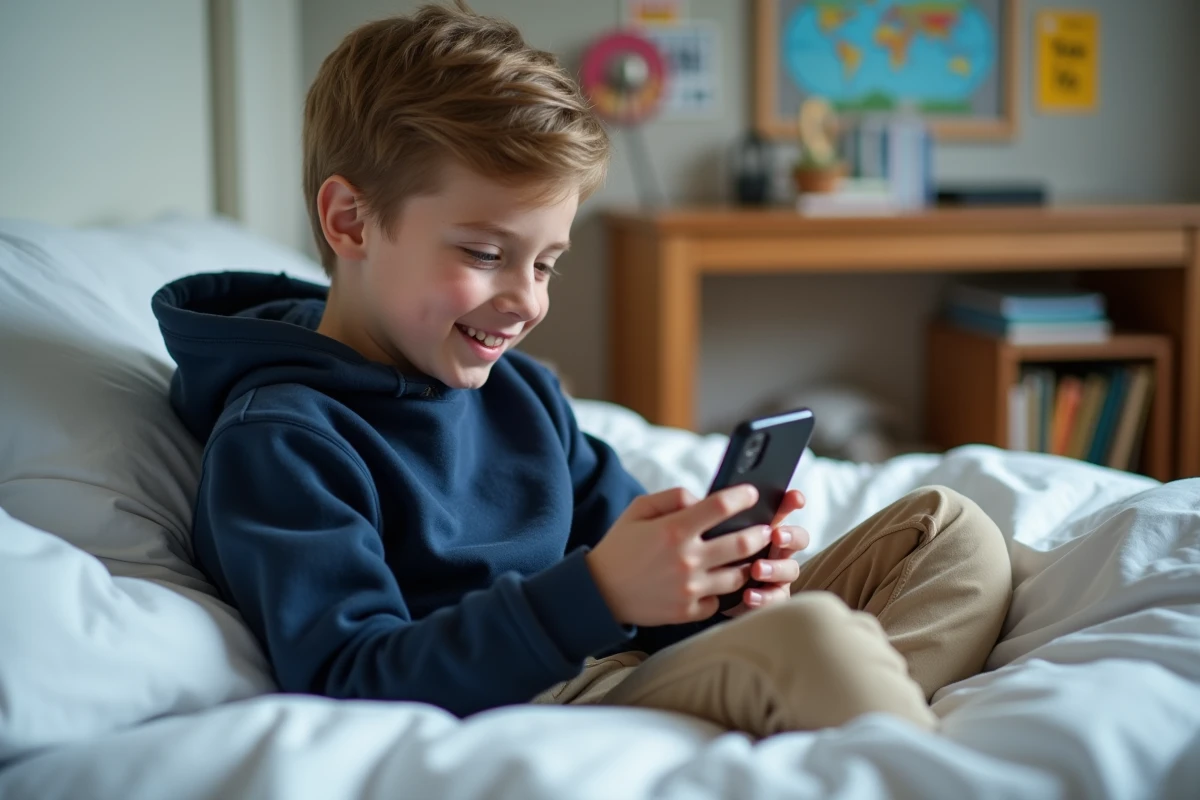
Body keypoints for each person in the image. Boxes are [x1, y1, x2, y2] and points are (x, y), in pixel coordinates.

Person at [153, 2, 1011, 738]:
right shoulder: (282, 441)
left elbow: (644, 577)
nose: (525, 300)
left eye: (546, 264)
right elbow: (350, 679)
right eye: (485, 253)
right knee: (814, 644)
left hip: (627, 658)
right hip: (528, 702)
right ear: (351, 221)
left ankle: (837, 720)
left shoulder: (523, 393)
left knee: (952, 532)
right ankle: (871, 732)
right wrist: (597, 595)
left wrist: (724, 585)